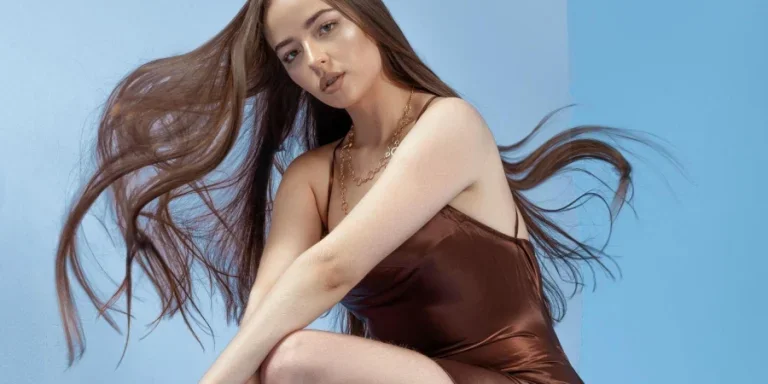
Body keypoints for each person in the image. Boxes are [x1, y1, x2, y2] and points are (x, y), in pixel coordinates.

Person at [54, 0, 653, 383]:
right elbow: (267, 312)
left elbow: (330, 270)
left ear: (368, 18)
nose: (315, 60)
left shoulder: (450, 125)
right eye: (292, 54)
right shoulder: (311, 179)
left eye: (326, 27)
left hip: (519, 380)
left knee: (291, 360)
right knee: (273, 357)